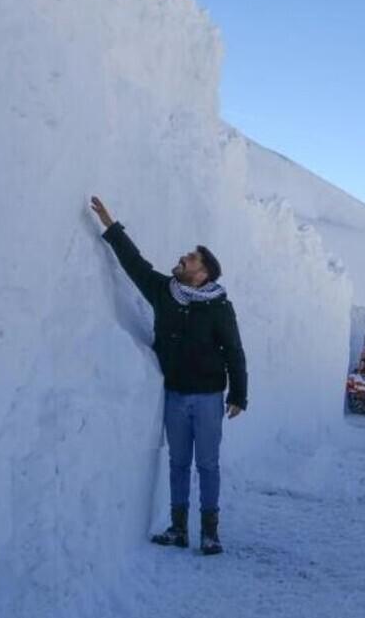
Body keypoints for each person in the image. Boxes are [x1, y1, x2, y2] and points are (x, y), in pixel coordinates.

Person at [90, 196, 247, 556]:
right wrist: (110, 225)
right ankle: (178, 528)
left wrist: (239, 394)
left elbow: (234, 351)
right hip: (175, 396)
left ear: (203, 272)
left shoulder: (219, 307)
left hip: (208, 398)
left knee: (206, 464)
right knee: (178, 463)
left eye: (190, 258)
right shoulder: (165, 292)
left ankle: (210, 532)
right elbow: (135, 265)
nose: (183, 258)